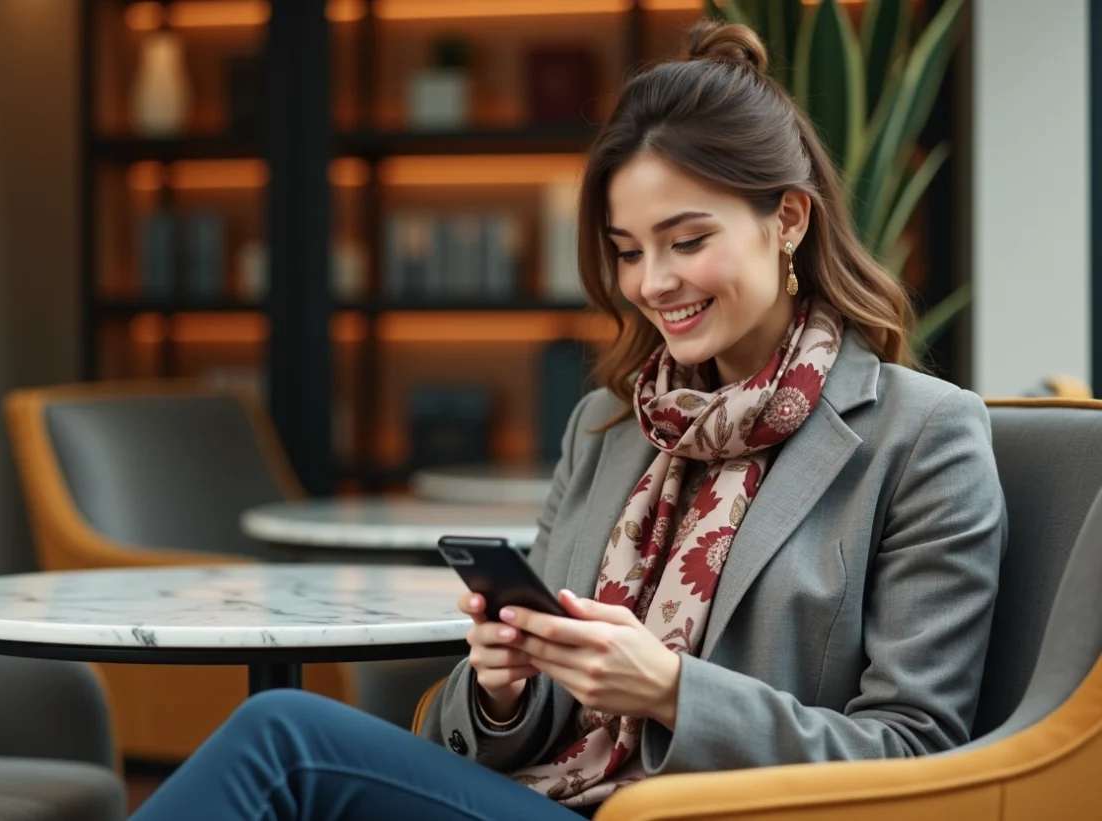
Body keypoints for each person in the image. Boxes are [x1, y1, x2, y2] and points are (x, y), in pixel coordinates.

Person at [130, 20, 1005, 821]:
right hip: (557, 797)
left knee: (284, 739)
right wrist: (502, 690)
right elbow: (510, 719)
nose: (652, 282)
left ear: (787, 218)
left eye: (687, 240)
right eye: (628, 251)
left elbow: (917, 751)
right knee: (282, 737)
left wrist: (671, 691)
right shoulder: (607, 429)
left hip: (704, 813)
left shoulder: (921, 435)